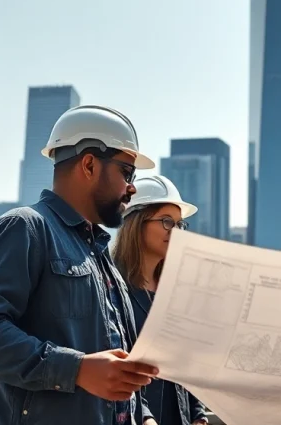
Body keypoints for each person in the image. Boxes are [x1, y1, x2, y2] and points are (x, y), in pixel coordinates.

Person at [0, 105, 161, 425]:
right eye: (127, 173)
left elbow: (115, 366)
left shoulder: (102, 258)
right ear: (89, 164)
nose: (132, 188)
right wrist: (76, 369)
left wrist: (142, 416)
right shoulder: (24, 229)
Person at [110, 175, 209, 425]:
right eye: (167, 221)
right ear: (137, 223)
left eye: (179, 224)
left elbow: (186, 363)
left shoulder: (175, 290)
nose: (175, 231)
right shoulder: (111, 288)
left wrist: (198, 415)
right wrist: (145, 417)